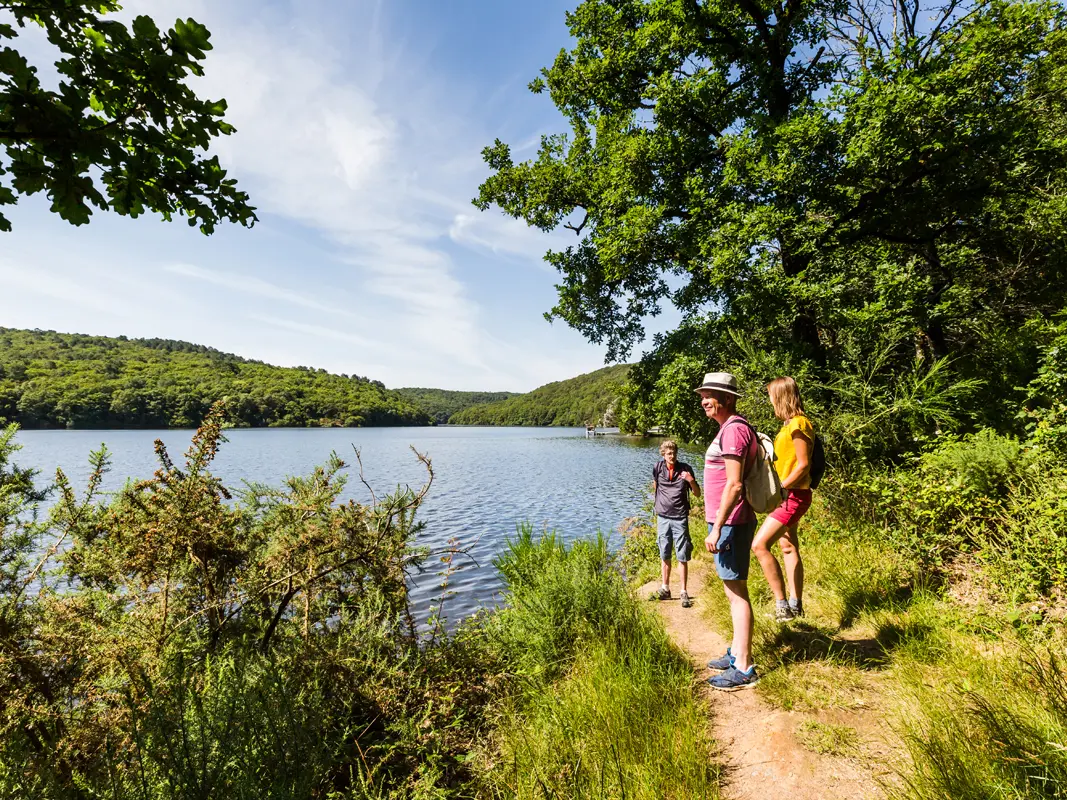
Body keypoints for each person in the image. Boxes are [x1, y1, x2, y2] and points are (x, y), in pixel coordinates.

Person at [696, 372, 761, 691]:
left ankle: (745, 666)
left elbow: (735, 484)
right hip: (731, 521)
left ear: (728, 399)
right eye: (703, 395)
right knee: (732, 590)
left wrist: (717, 528)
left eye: (710, 395)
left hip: (732, 522)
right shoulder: (731, 428)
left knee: (737, 594)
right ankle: (736, 652)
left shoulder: (734, 432)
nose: (704, 400)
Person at [752, 376, 814, 621]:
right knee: (787, 546)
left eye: (771, 396)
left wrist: (780, 490)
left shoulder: (799, 424)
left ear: (781, 397)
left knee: (759, 545)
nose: (769, 401)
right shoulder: (788, 425)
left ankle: (782, 607)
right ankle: (795, 605)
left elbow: (803, 465)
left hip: (793, 496)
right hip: (788, 495)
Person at [649, 440, 701, 608]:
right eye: (668, 453)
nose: (672, 456)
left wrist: (691, 480)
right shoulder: (658, 468)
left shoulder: (685, 469)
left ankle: (683, 591)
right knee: (664, 553)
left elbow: (697, 493)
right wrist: (657, 507)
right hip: (663, 517)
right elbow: (655, 487)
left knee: (682, 555)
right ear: (663, 454)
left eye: (674, 452)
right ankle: (665, 588)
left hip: (680, 518)